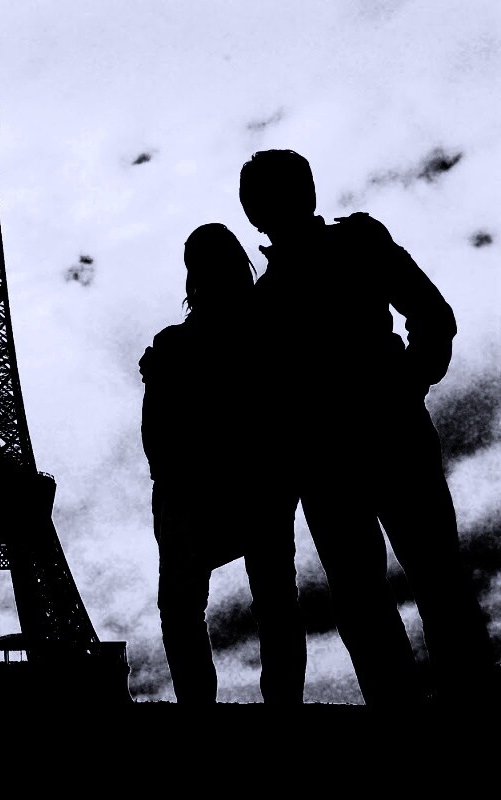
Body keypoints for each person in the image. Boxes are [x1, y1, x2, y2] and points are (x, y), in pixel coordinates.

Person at [239, 148, 499, 706]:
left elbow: (432, 315)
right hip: (362, 446)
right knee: (410, 586)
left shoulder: (290, 285)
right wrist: (409, 381)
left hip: (350, 450)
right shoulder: (334, 257)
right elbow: (432, 314)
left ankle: (431, 701)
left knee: (391, 592)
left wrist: (410, 381)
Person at [140, 223, 306, 704]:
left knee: (182, 607)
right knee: (275, 599)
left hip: (193, 487)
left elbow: (156, 428)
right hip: (261, 481)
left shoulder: (173, 345)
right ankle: (283, 706)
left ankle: (198, 706)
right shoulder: (271, 328)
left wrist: (168, 479)